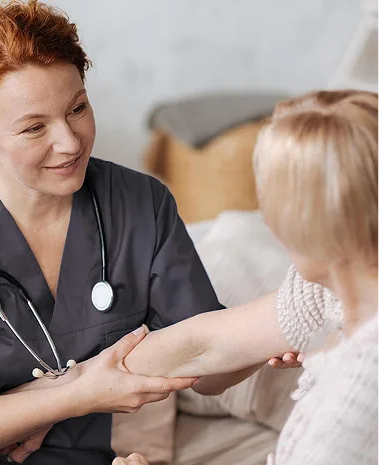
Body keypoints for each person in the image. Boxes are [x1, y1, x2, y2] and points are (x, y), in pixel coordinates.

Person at [0, 2, 299, 464]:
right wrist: (77, 394)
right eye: (33, 128)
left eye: (77, 108)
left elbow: (201, 358)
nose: (69, 142)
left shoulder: (139, 204)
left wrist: (272, 336)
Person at [114, 90, 379, 464]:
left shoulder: (356, 391)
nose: (264, 219)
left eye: (267, 203)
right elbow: (203, 344)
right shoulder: (333, 284)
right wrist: (62, 400)